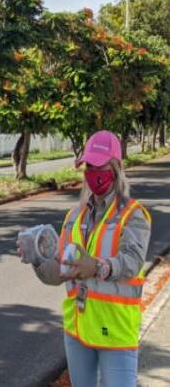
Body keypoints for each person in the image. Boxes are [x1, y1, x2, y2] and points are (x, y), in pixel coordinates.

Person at [19, 130, 152, 387]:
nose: (92, 172)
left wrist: (97, 267)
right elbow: (58, 273)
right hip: (78, 331)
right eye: (88, 166)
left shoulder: (133, 215)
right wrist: (36, 257)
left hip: (115, 334)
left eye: (98, 165)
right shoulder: (73, 217)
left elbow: (131, 262)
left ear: (115, 167)